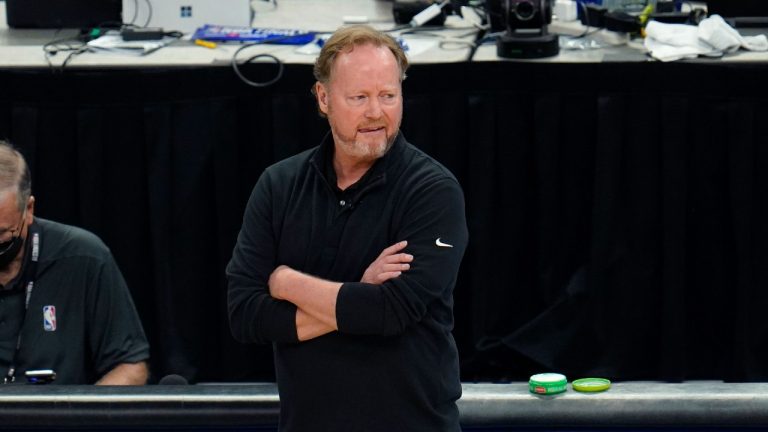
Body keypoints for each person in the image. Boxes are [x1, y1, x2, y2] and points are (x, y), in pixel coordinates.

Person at [227, 25, 468, 431]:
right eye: (359, 97)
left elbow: (391, 313)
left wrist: (285, 282)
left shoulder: (433, 190)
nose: (376, 112)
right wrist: (359, 288)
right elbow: (245, 315)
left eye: (388, 96)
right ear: (323, 99)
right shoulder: (279, 185)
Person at [0, 140, 150, 385]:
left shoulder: (83, 258)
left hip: (56, 421)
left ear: (29, 209)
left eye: (2, 233)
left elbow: (130, 367)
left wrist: (78, 417)